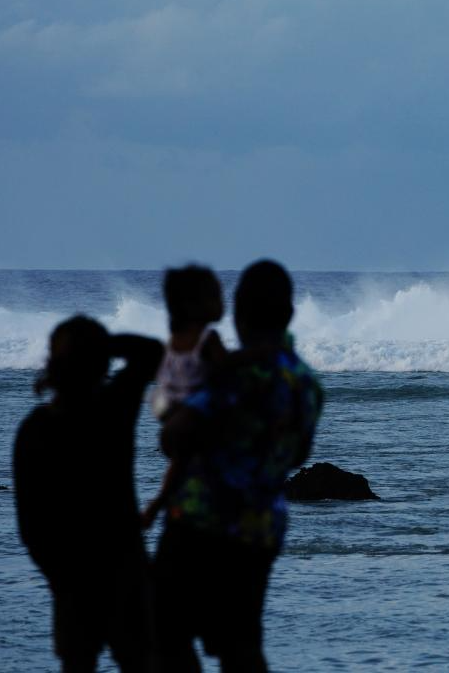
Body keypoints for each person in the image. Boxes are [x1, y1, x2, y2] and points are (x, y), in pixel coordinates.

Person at [153, 260, 323, 673]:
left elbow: (173, 436)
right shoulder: (306, 382)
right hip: (260, 530)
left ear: (239, 314)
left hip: (199, 524)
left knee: (162, 632)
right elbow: (299, 456)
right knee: (240, 644)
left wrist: (172, 403)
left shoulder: (234, 372)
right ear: (289, 314)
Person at [14, 316, 163, 673]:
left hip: (71, 578)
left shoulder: (35, 428)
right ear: (100, 365)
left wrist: (57, 577)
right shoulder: (114, 408)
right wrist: (104, 343)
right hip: (126, 570)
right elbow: (152, 352)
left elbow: (30, 525)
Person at [142, 265, 226, 528]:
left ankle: (164, 509)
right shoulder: (207, 339)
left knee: (182, 470)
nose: (222, 300)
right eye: (215, 295)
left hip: (176, 423)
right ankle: (158, 506)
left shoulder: (172, 342)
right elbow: (231, 374)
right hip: (194, 425)